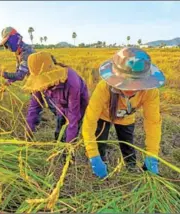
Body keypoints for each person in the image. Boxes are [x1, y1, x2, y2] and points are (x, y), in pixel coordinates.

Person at [82, 47, 166, 178]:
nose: (131, 90)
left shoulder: (150, 91)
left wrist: (152, 155)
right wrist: (93, 156)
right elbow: (89, 121)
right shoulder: (103, 88)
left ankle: (131, 167)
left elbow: (153, 122)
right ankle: (101, 164)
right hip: (103, 116)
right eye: (127, 84)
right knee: (100, 142)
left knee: (127, 144)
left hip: (126, 118)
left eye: (136, 85)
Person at [24, 51, 89, 143]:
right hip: (60, 103)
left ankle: (69, 152)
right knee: (59, 130)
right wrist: (28, 133)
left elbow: (73, 116)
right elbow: (34, 107)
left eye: (44, 80)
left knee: (71, 130)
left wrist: (68, 146)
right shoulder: (39, 84)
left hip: (78, 102)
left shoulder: (71, 82)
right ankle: (60, 143)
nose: (43, 85)